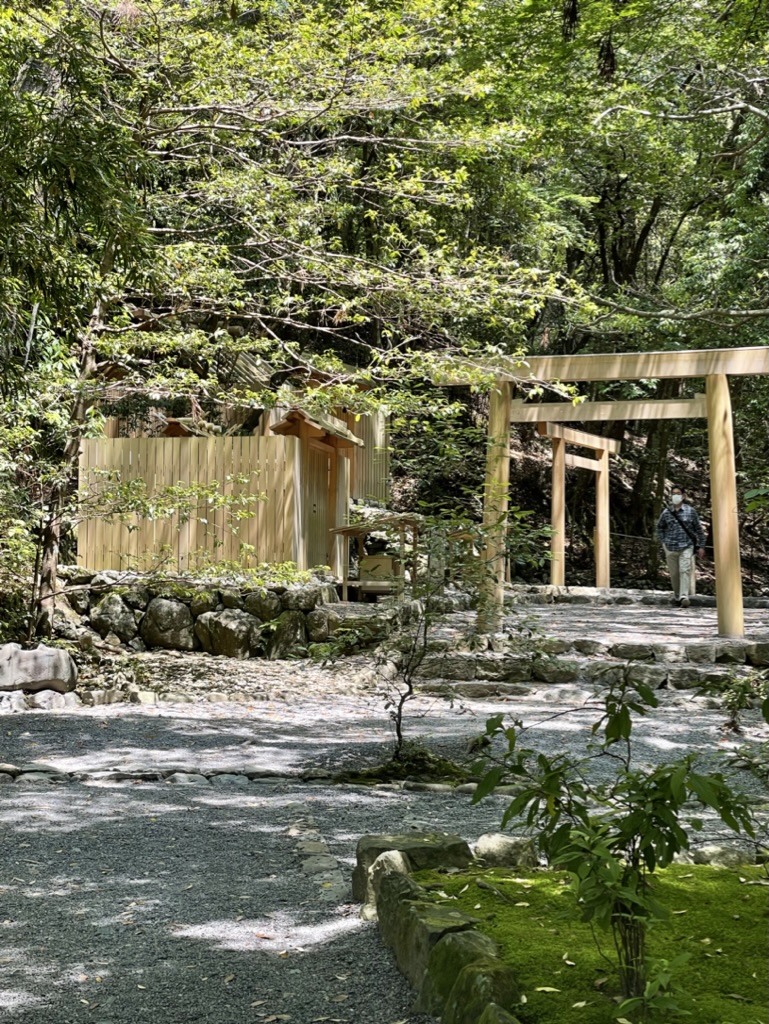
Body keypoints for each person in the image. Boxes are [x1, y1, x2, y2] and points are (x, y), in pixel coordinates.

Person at [656, 485, 706, 607]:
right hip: (670, 546)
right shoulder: (666, 512)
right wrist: (663, 543)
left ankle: (684, 596)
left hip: (686, 546)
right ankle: (678, 595)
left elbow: (699, 530)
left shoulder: (690, 511)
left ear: (683, 496)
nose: (675, 496)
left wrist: (701, 546)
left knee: (684, 570)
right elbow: (660, 528)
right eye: (673, 493)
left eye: (678, 493)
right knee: (674, 573)